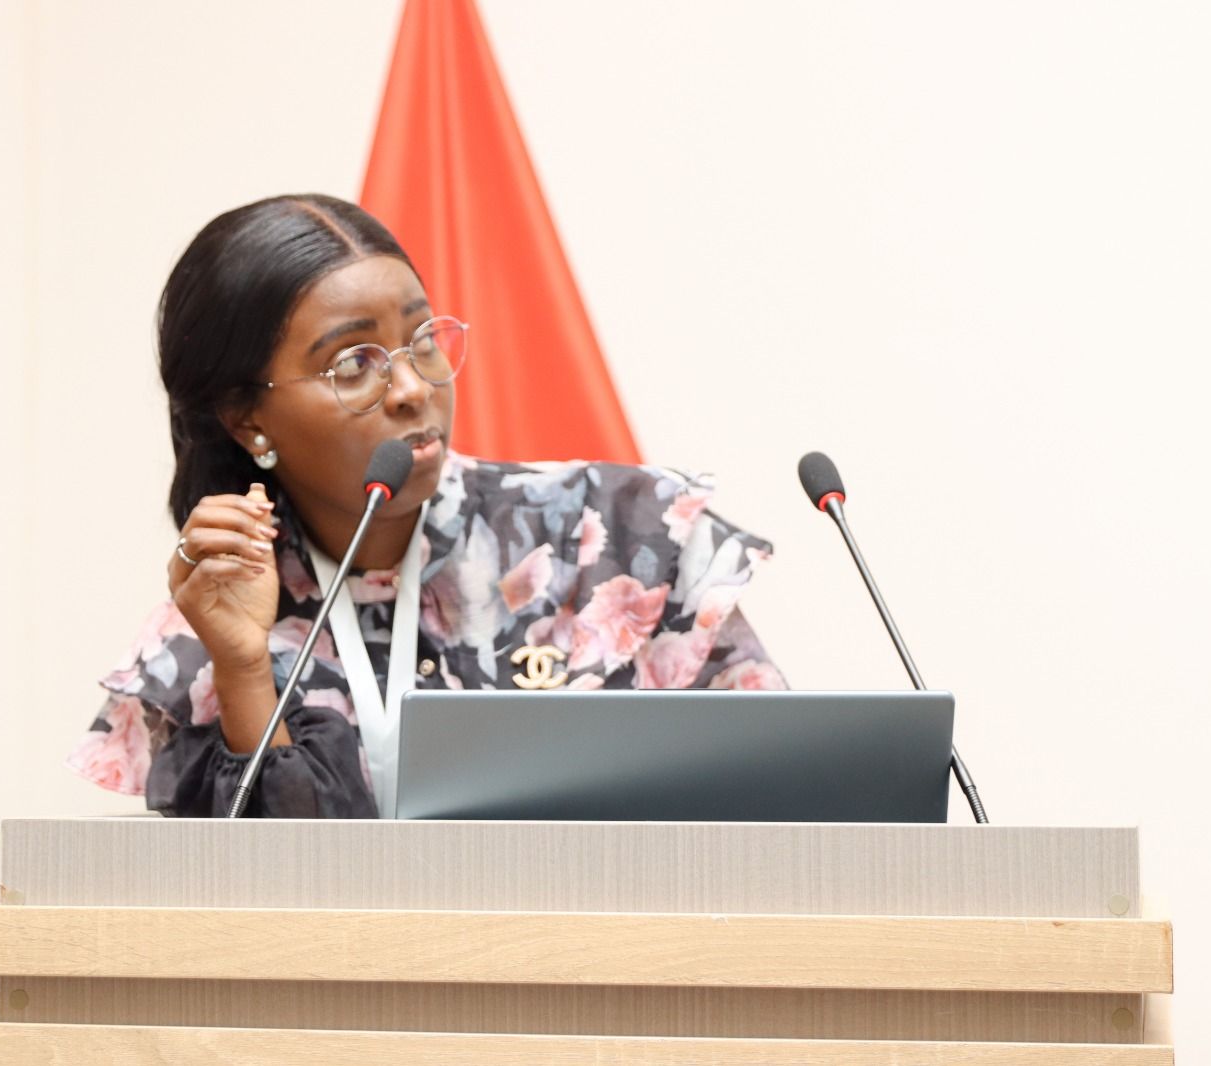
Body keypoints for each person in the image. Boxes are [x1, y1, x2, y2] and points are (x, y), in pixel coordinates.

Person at [67, 193, 784, 818]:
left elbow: (780, 801)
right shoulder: (211, 627)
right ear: (246, 419)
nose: (413, 388)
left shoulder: (622, 539)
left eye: (422, 340)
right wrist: (245, 670)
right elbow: (267, 897)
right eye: (355, 364)